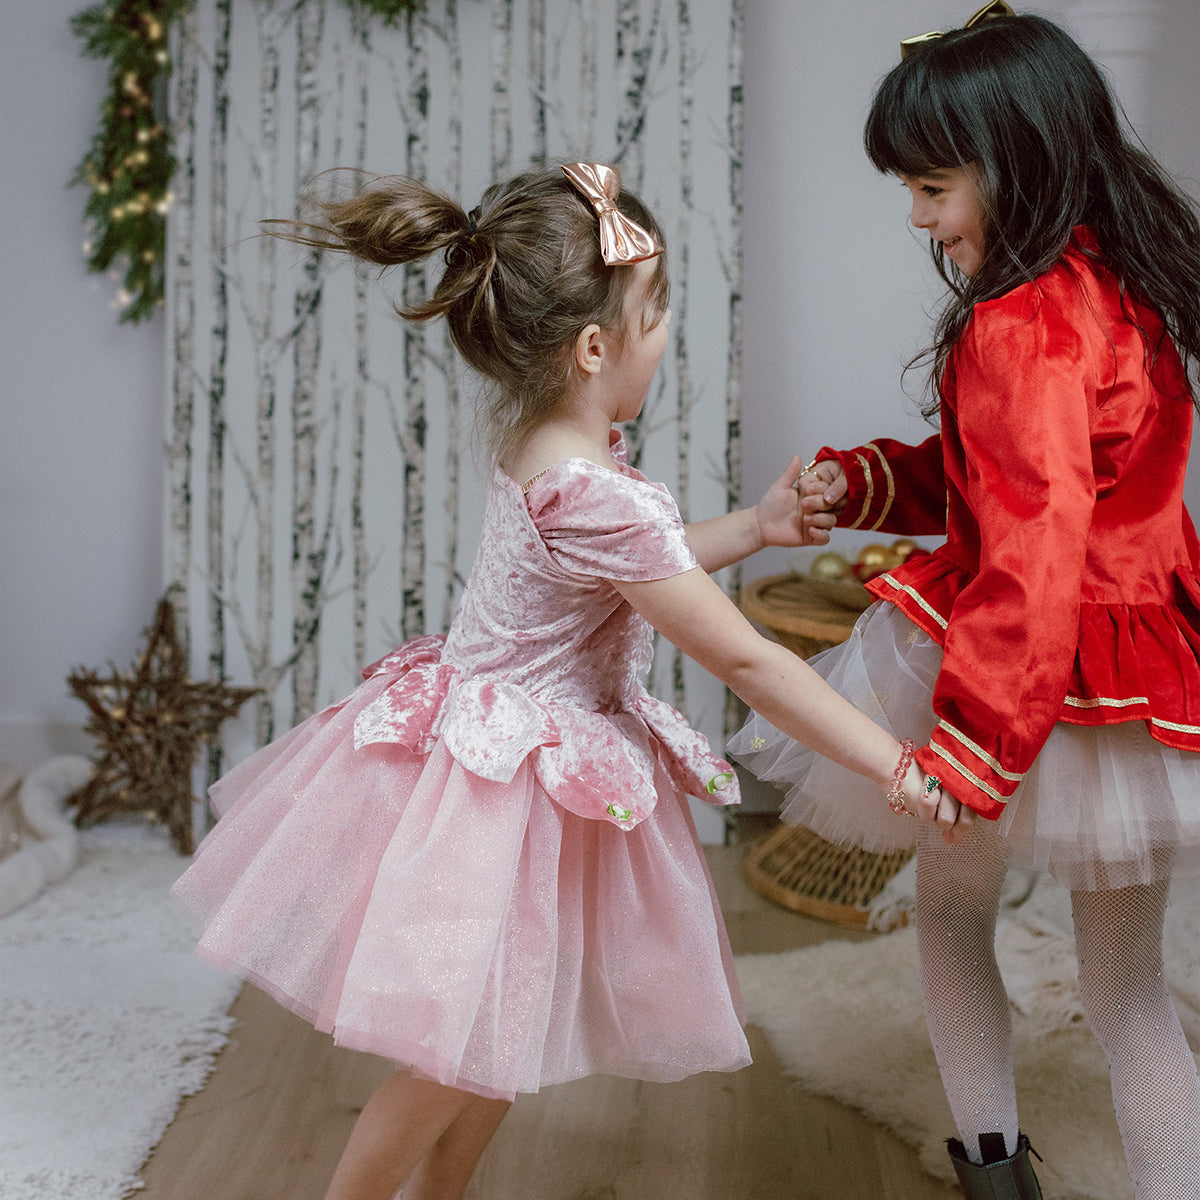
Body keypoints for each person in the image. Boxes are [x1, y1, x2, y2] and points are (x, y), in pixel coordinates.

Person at [171, 160, 935, 1200]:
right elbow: (745, 656)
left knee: (498, 1032)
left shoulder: (558, 447)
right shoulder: (593, 489)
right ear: (591, 349)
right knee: (452, 1053)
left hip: (516, 763)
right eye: (655, 311)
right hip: (504, 791)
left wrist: (754, 529)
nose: (665, 330)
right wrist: (893, 759)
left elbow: (643, 567)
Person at [732, 7, 1200, 1199]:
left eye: (933, 187)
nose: (918, 217)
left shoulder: (1017, 322)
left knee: (949, 921)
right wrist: (876, 478)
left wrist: (972, 750)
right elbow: (1014, 478)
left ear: (1018, 158)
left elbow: (1031, 549)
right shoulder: (1122, 284)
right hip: (1135, 672)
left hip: (1012, 671)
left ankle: (996, 1170)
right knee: (1129, 990)